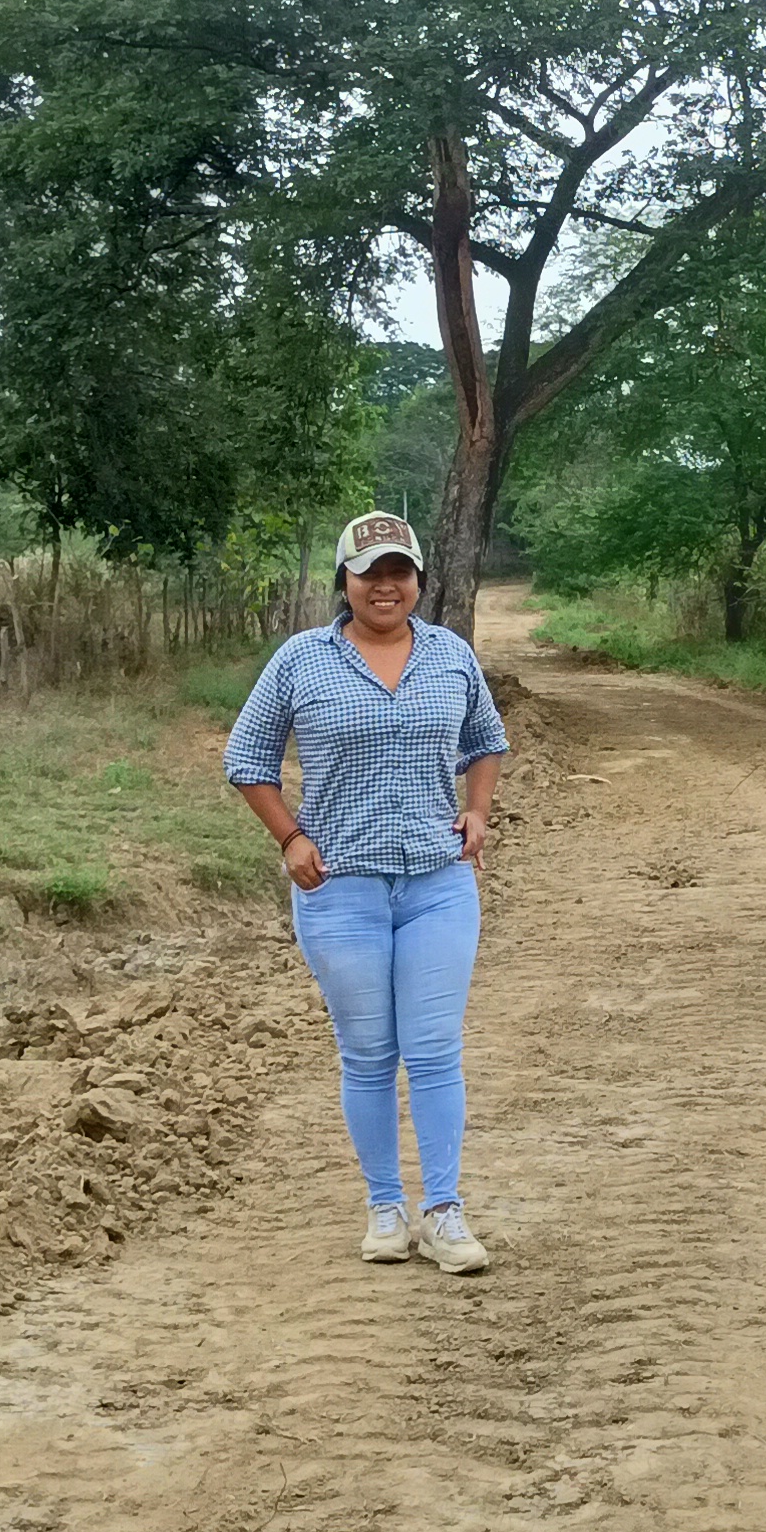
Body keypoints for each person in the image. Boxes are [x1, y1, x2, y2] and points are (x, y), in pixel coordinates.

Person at [224, 511, 508, 1275]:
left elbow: (487, 741)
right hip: (339, 884)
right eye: (369, 573)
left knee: (435, 1048)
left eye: (399, 572)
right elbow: (246, 757)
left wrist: (478, 811)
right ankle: (385, 1206)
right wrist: (290, 837)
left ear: (419, 580)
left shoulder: (450, 655)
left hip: (437, 882)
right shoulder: (300, 660)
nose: (386, 586)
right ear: (344, 583)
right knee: (370, 1052)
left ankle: (443, 1211)